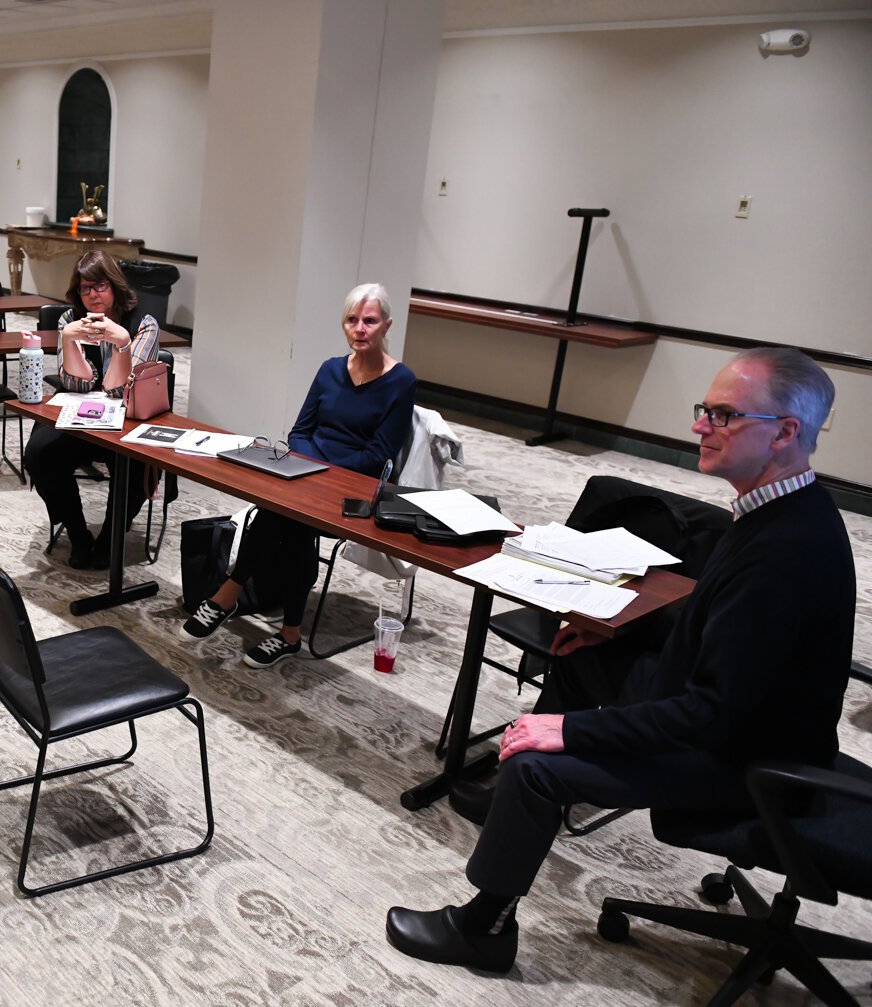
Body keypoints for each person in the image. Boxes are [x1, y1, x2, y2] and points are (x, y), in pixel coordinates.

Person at [385, 347, 855, 974]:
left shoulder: (782, 557)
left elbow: (710, 715)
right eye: (704, 410)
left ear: (785, 433)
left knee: (536, 765)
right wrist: (619, 635)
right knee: (578, 657)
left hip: (746, 764)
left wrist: (566, 731)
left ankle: (483, 929)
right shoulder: (780, 509)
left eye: (722, 415)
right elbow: (714, 624)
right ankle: (517, 814)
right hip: (729, 718)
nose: (699, 426)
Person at [180, 282, 415, 668]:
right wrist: (308, 469)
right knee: (281, 509)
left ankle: (229, 597)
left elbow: (379, 454)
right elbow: (299, 431)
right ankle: (286, 632)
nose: (359, 329)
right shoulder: (330, 370)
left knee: (293, 521)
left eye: (369, 321)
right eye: (351, 320)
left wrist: (322, 473)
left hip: (352, 489)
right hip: (307, 473)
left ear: (387, 326)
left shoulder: (401, 381)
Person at [21, 250, 161, 569]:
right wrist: (69, 340)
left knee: (137, 464)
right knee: (39, 453)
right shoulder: (70, 320)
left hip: (127, 420)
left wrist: (122, 343)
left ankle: (112, 537)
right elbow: (77, 384)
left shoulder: (143, 325)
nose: (92, 295)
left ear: (115, 285)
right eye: (85, 289)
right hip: (79, 412)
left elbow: (119, 390)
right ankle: (77, 533)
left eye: (99, 286)